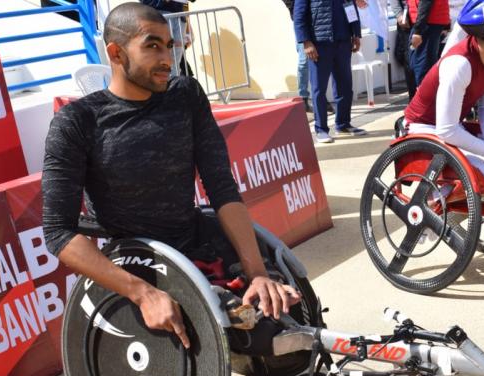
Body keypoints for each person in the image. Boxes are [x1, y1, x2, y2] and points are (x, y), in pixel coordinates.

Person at [42, 3, 300, 347]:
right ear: (116, 53)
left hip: (194, 236)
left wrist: (257, 272)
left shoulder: (186, 95)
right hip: (139, 256)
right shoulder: (76, 123)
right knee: (248, 328)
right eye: (152, 46)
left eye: (169, 45)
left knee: (282, 306)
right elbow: (58, 233)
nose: (167, 57)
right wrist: (142, 293)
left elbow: (222, 188)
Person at [404, 0, 484, 186]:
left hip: (451, 128)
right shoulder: (459, 64)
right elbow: (446, 130)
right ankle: (436, 202)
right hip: (423, 129)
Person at [294, 0, 367, 143]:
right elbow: (299, 16)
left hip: (343, 41)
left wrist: (356, 34)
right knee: (319, 89)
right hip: (319, 43)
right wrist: (306, 41)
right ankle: (321, 130)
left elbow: (351, 7)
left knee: (345, 86)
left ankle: (343, 125)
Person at [139, 0, 194, 77]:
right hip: (160, 16)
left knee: (175, 63)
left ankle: (174, 86)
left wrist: (189, 29)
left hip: (180, 18)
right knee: (161, 61)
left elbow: (187, 4)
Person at [407, 0, 451, 87]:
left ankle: (424, 97)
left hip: (427, 24)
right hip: (431, 22)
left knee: (422, 66)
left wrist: (418, 31)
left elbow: (425, 3)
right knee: (424, 64)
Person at [283, 0, 312, 112]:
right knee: (304, 61)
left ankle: (321, 97)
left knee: (322, 58)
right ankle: (303, 97)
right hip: (302, 20)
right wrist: (296, 10)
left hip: (319, 18)